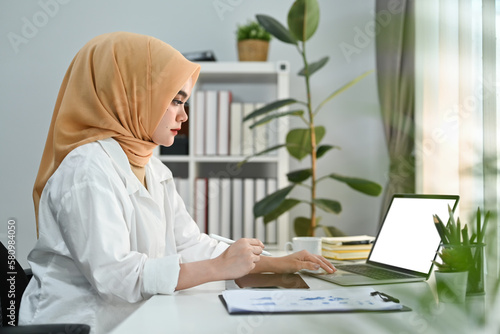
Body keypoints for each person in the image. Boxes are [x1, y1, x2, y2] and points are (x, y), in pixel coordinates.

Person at [19, 32, 335, 333]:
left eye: (184, 103)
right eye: (174, 101)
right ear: (131, 95)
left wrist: (271, 263)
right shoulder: (86, 169)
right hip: (83, 325)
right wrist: (219, 267)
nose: (183, 117)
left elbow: (190, 244)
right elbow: (116, 277)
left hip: (134, 318)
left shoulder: (152, 167)